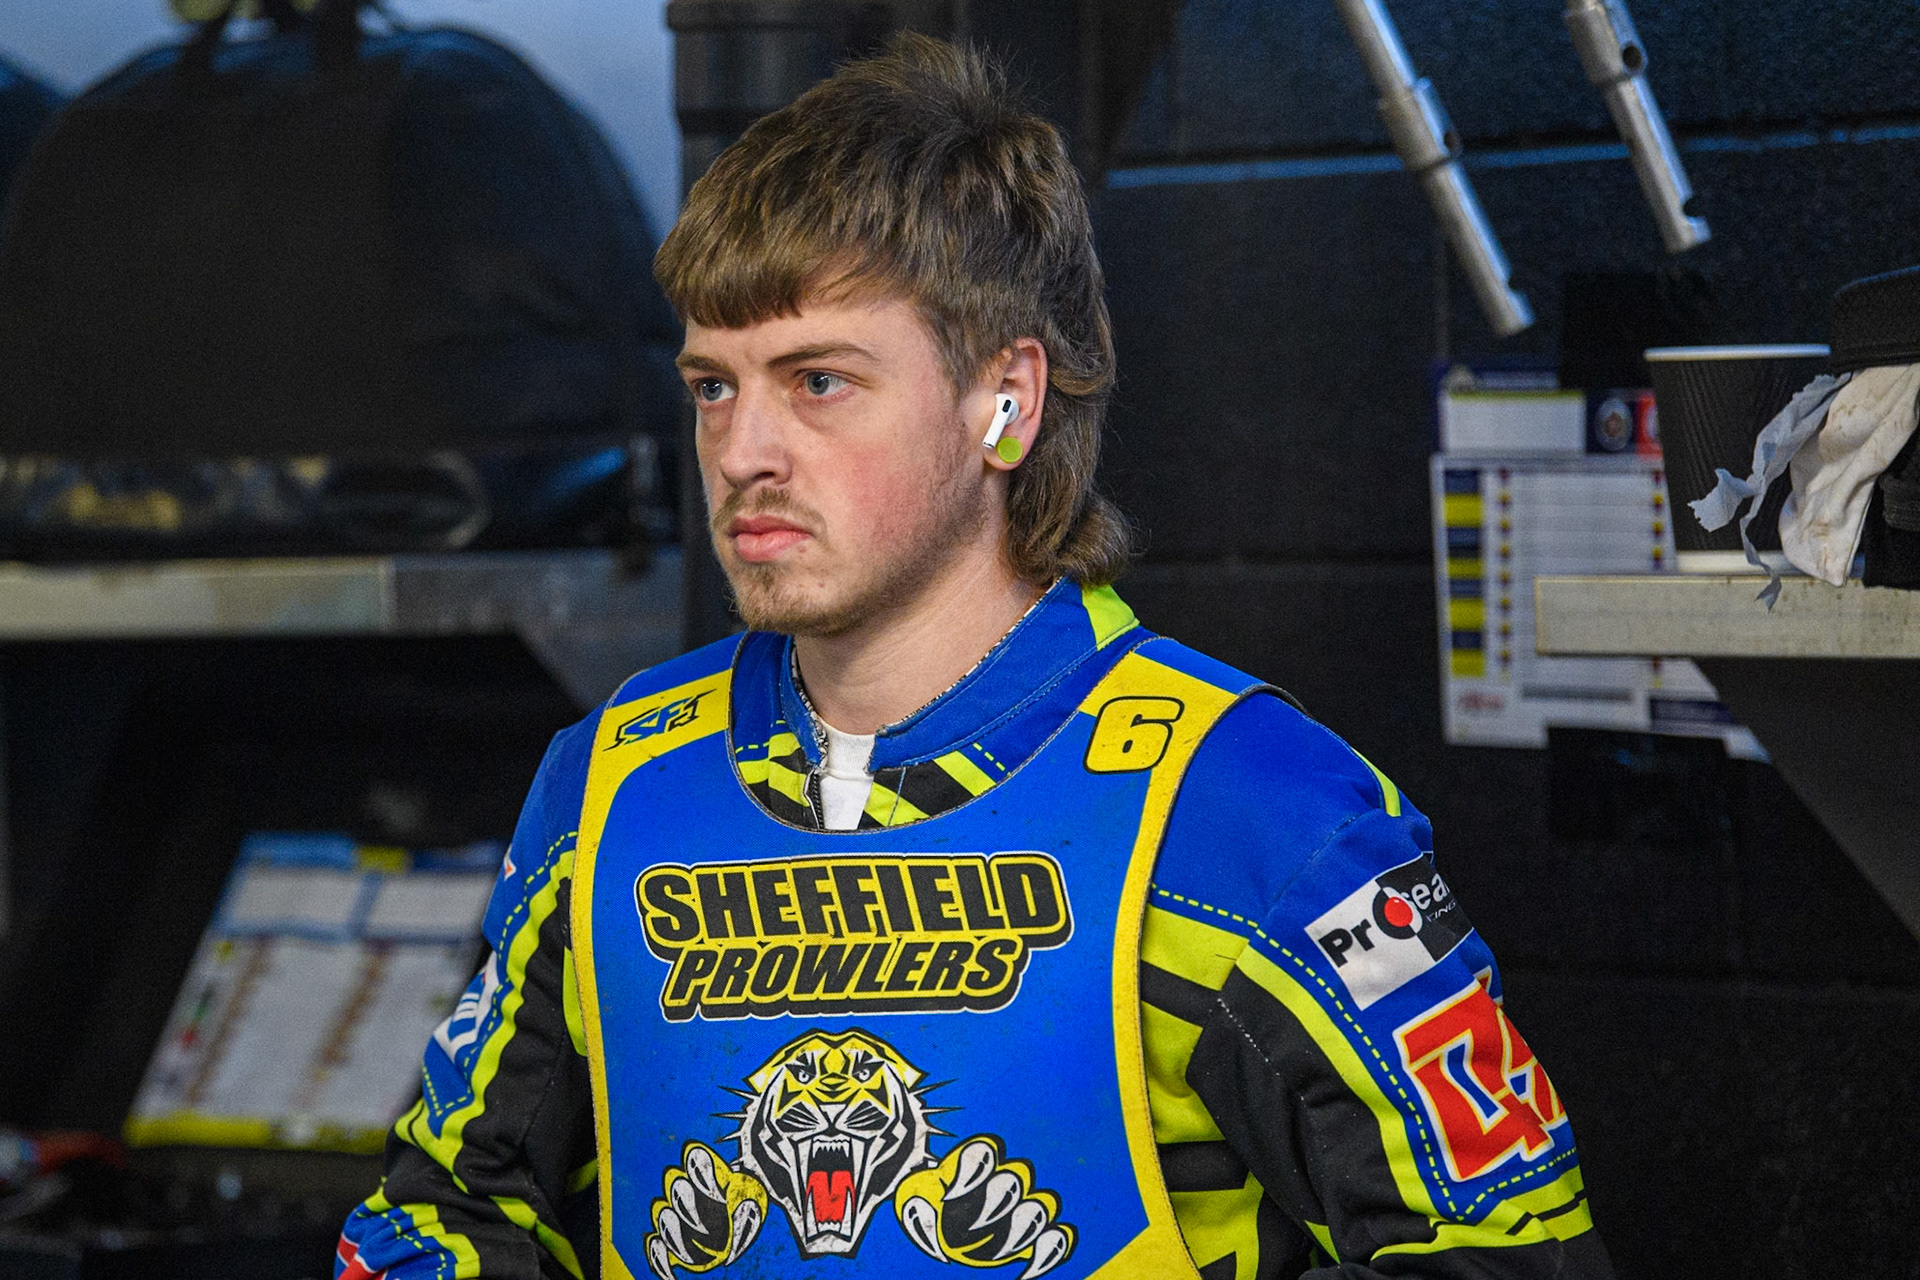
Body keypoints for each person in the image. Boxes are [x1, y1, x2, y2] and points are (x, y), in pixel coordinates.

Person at [338, 34, 1612, 1280]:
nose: (740, 450)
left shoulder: (1254, 811)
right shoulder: (609, 784)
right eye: (714, 385)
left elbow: (1509, 1255)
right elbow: (443, 1209)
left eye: (818, 379)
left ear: (1005, 396)